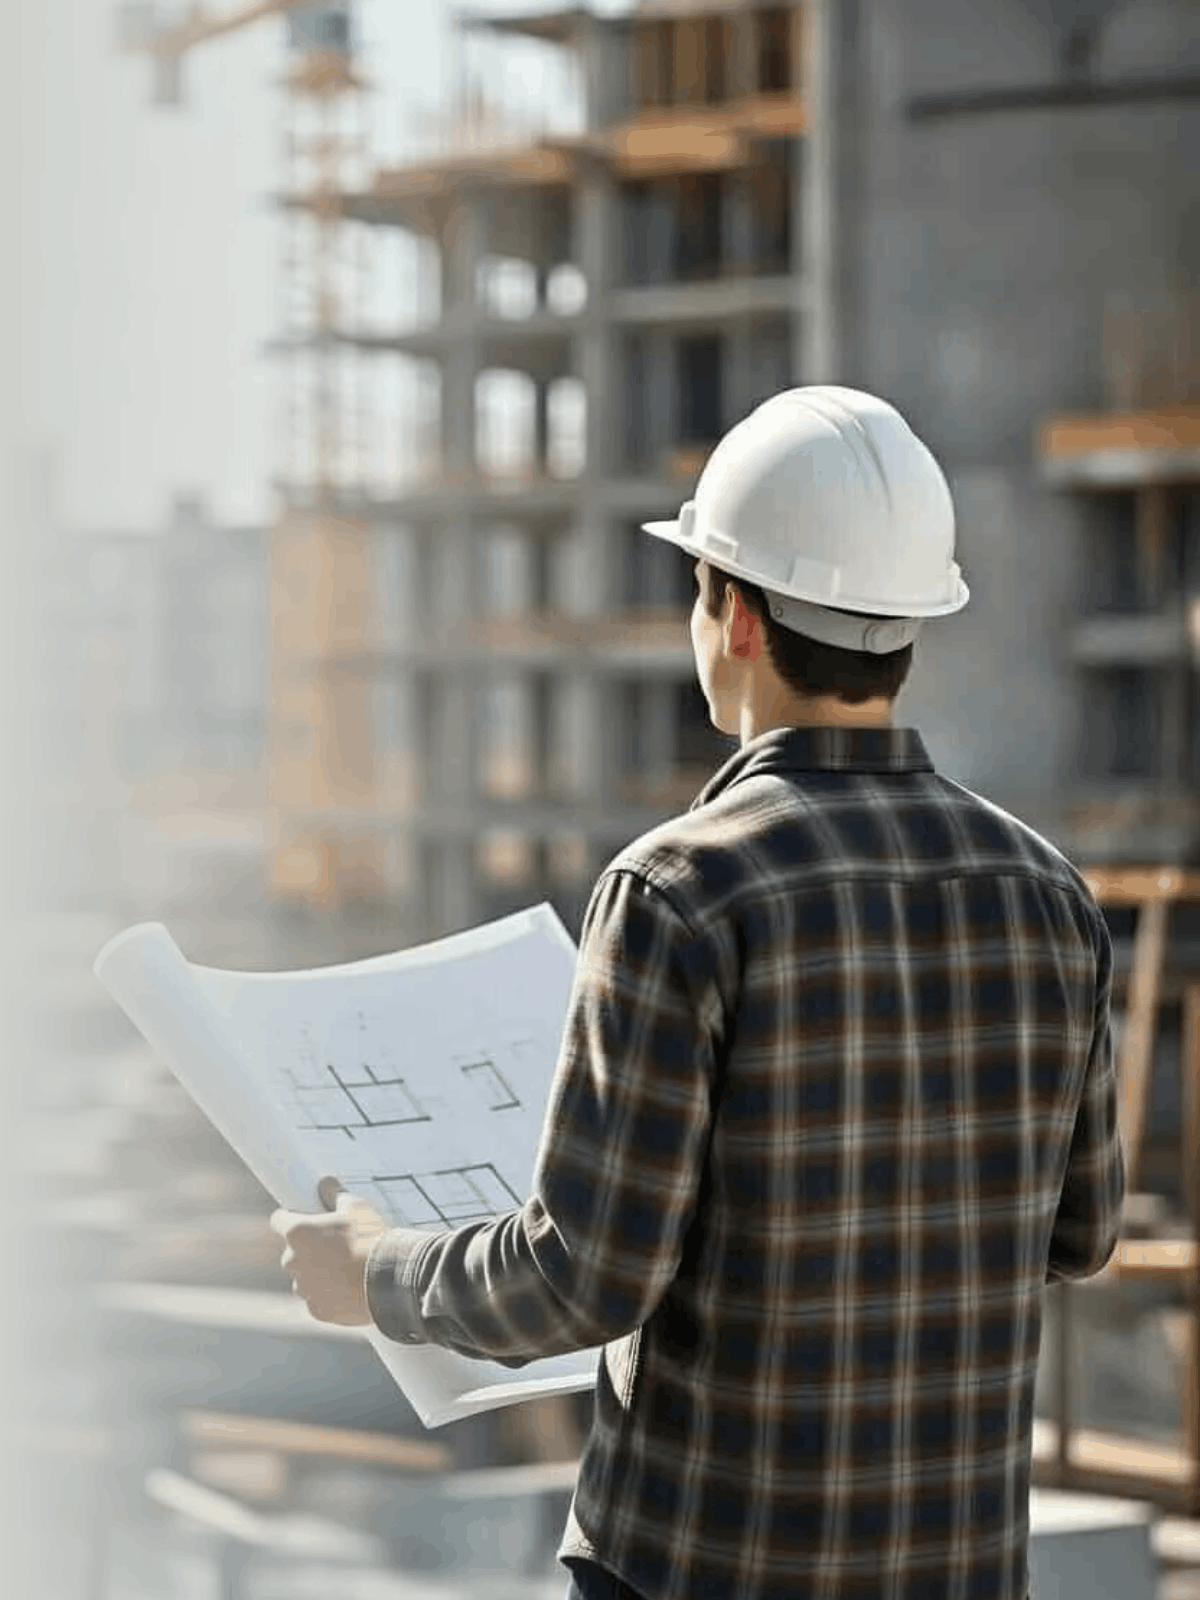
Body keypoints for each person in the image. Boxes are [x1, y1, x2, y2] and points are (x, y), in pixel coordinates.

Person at [272, 387, 1124, 1600]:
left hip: (702, 1568)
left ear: (738, 617)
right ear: (907, 623)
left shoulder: (679, 890)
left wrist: (377, 1272)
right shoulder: (1050, 895)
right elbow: (1081, 1233)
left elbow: (585, 1276)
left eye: (698, 588)